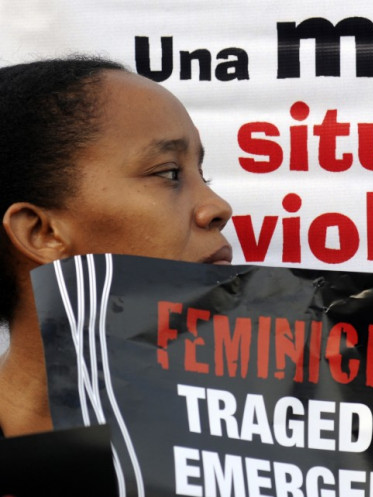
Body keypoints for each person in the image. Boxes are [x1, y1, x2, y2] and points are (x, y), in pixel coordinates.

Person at [0, 56, 233, 437]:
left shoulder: (300, 440)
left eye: (202, 174)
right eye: (169, 173)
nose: (218, 208)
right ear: (41, 233)